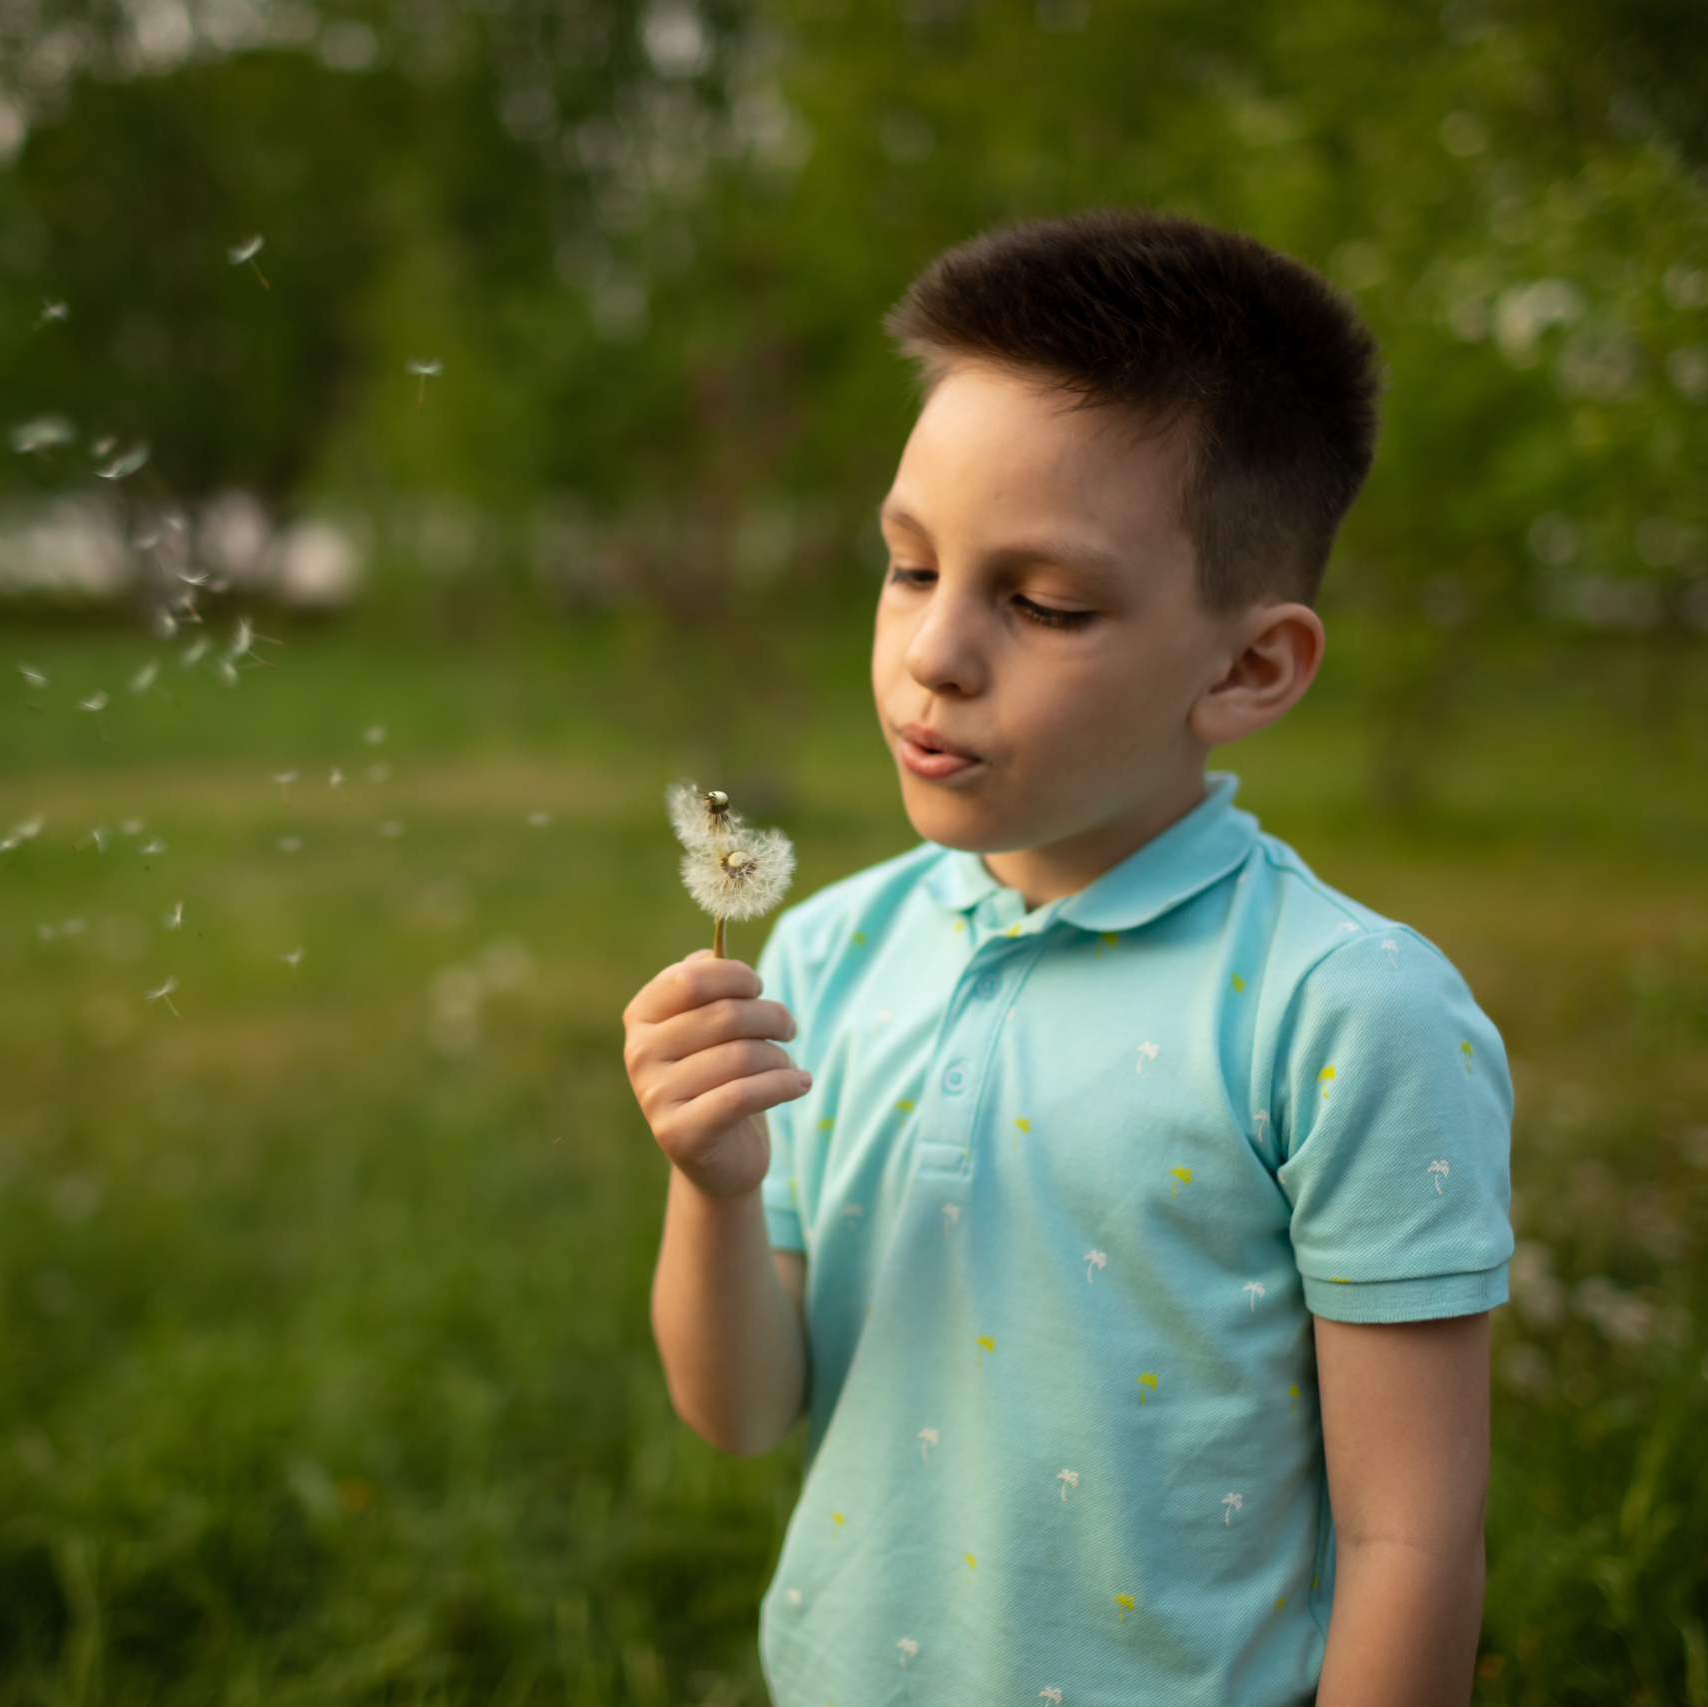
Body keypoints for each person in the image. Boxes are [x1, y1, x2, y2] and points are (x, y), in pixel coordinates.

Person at [621, 209, 1513, 1706]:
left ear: (1248, 667)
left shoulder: (1344, 1015)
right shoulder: (834, 950)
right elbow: (741, 1410)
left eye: (1041, 602)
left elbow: (1412, 1536)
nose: (936, 654)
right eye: (909, 570)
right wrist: (712, 1189)